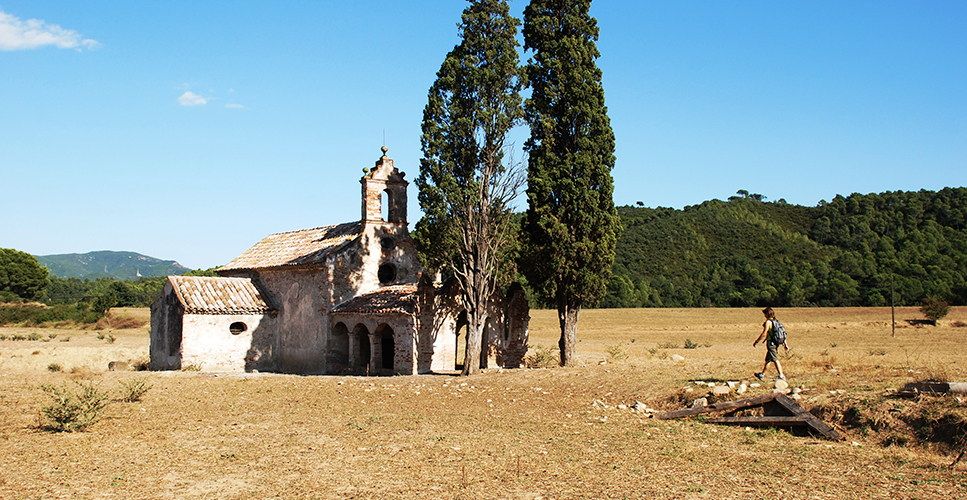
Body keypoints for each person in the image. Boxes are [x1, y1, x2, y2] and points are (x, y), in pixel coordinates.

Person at [753, 306, 788, 380]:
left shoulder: (768, 322)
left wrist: (756, 341)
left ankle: (781, 375)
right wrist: (785, 344)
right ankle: (762, 374)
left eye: (764, 314)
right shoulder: (776, 321)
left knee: (775, 359)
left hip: (771, 343)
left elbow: (764, 333)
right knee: (768, 359)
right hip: (776, 342)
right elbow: (783, 333)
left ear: (766, 314)